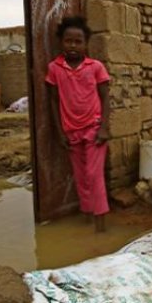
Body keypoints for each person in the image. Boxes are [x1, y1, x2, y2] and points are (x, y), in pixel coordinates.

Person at [46, 16, 111, 232]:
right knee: (81, 177)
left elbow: (105, 98)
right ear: (61, 42)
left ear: (86, 44)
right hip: (70, 130)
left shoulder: (96, 67)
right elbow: (54, 101)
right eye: (68, 41)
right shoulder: (54, 68)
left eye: (78, 41)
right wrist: (60, 132)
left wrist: (104, 127)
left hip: (94, 128)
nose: (73, 46)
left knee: (94, 175)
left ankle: (101, 227)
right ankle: (86, 218)